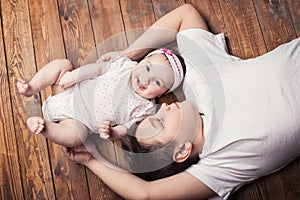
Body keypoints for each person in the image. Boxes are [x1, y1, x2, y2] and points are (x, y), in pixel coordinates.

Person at [63, 3, 300, 200]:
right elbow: (145, 194)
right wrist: (91, 159)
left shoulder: (199, 78)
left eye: (153, 115)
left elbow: (185, 15)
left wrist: (127, 55)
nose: (163, 107)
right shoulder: (220, 163)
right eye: (160, 123)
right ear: (182, 150)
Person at [17, 48, 184, 147]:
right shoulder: (124, 66)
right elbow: (98, 69)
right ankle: (32, 87)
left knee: (78, 137)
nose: (146, 80)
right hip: (69, 90)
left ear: (163, 93)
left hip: (77, 120)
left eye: (157, 81)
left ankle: (44, 126)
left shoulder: (145, 108)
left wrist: (113, 132)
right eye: (147, 68)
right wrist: (75, 76)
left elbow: (126, 128)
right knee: (63, 65)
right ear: (141, 62)